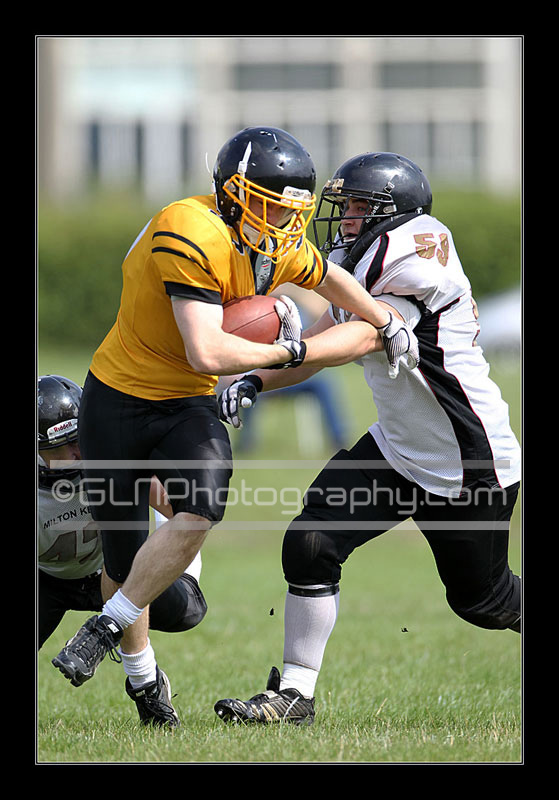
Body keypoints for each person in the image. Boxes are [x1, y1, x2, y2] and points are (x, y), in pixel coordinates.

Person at [51, 129, 417, 727]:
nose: (282, 224)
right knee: (121, 558)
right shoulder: (189, 229)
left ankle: (103, 628)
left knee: (201, 506)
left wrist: (384, 318)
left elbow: (328, 276)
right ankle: (145, 684)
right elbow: (208, 351)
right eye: (270, 206)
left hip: (187, 402)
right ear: (231, 194)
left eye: (291, 211)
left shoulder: (272, 240)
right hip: (117, 396)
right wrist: (291, 352)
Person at [213, 151, 522, 725]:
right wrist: (256, 378)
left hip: (466, 460)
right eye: (347, 206)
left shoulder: (413, 258)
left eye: (359, 207)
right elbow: (324, 336)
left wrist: (283, 352)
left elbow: (363, 337)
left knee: (485, 602)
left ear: (394, 214)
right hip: (400, 450)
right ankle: (295, 696)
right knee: (311, 541)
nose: (347, 218)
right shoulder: (365, 263)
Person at [39, 374, 206, 726]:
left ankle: (145, 682)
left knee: (188, 611)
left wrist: (169, 566)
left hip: (115, 572)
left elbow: (185, 512)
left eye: (79, 439)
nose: (78, 453)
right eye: (62, 447)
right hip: (47, 580)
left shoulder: (107, 457)